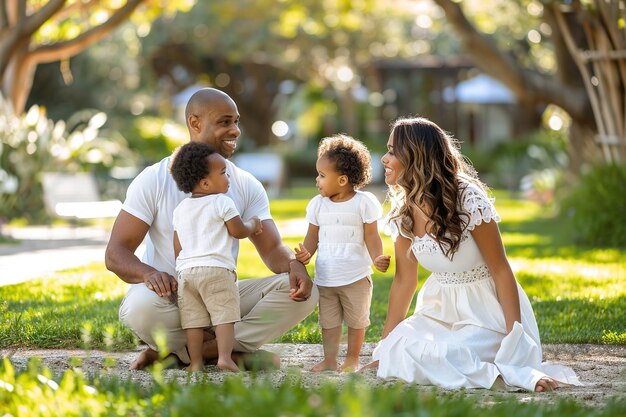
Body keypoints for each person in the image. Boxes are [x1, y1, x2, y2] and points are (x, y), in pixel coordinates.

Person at [105, 87, 318, 370]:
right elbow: (116, 253)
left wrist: (294, 266)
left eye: (236, 121)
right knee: (139, 309)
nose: (236, 130)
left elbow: (271, 249)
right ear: (195, 123)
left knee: (306, 293)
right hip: (170, 299)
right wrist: (150, 274)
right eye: (225, 122)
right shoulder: (154, 179)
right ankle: (226, 351)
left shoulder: (244, 184)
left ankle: (184, 353)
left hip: (222, 295)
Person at [362, 117, 581, 392]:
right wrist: (385, 347)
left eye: (392, 151)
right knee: (398, 346)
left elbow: (501, 270)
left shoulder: (467, 198)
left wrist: (516, 343)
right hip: (439, 313)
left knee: (449, 354)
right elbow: (404, 282)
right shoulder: (403, 212)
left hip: (488, 314)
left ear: (416, 155)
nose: (384, 158)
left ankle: (502, 372)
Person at [294, 134, 390, 372]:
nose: (317, 180)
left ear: (343, 180)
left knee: (357, 320)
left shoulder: (363, 202)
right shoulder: (317, 205)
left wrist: (377, 256)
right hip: (326, 276)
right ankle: (329, 359)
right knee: (329, 321)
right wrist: (306, 254)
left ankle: (352, 359)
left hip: (355, 275)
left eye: (322, 175)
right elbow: (312, 237)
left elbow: (371, 236)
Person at [170, 142, 263, 372]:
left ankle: (195, 363)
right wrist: (253, 224)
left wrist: (185, 265)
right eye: (223, 173)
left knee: (193, 321)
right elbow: (238, 231)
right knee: (224, 317)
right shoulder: (222, 201)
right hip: (217, 270)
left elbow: (177, 246)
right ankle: (224, 358)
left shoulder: (180, 209)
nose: (228, 177)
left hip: (187, 273)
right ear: (205, 183)